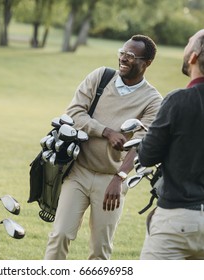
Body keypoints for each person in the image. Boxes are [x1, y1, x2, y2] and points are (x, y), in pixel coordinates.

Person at [44, 35, 163, 260]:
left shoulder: (153, 100)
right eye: (122, 53)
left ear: (146, 63)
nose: (124, 59)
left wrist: (119, 178)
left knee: (100, 249)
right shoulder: (101, 77)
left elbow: (140, 145)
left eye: (131, 56)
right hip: (79, 171)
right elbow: (74, 113)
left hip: (112, 180)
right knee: (59, 234)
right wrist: (106, 132)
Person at [137, 24, 204, 260]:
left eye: (188, 43)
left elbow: (147, 156)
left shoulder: (177, 100)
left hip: (176, 220)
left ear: (194, 56)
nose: (185, 48)